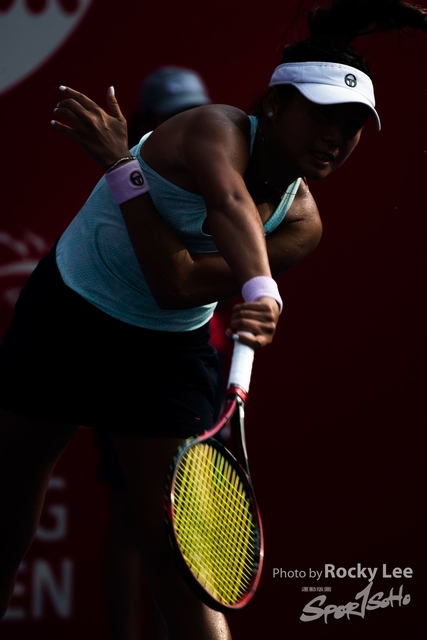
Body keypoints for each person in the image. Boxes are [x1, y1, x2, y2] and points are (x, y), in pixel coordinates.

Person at [1, 1, 427, 638]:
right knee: (8, 510)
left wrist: (122, 170)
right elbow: (228, 204)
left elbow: (177, 285)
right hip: (69, 315)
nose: (336, 137)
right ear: (275, 106)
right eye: (321, 114)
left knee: (178, 558)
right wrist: (263, 289)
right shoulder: (214, 128)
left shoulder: (303, 224)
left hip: (164, 355)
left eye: (352, 124)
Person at [94, 65, 212, 640]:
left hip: (187, 373)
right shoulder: (128, 186)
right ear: (146, 124)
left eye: (193, 115)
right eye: (170, 118)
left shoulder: (220, 177)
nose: (183, 128)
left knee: (185, 531)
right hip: (120, 359)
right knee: (129, 522)